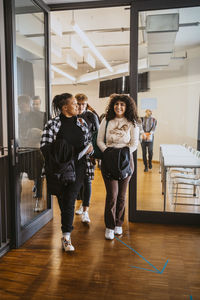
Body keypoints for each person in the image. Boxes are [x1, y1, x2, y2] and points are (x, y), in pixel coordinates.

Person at [40, 93, 93, 251]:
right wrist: (63, 152)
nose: (78, 106)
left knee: (70, 198)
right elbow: (44, 147)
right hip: (59, 169)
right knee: (64, 201)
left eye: (78, 104)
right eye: (74, 103)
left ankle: (66, 236)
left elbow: (88, 140)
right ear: (65, 107)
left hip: (79, 167)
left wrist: (88, 150)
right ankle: (66, 227)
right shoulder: (53, 124)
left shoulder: (82, 122)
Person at [97, 94, 139, 240]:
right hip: (108, 160)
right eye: (116, 104)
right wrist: (108, 153)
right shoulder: (106, 121)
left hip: (126, 161)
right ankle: (109, 226)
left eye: (122, 104)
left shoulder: (132, 122)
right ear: (112, 106)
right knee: (112, 195)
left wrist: (123, 155)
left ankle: (118, 223)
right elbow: (99, 141)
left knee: (122, 195)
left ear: (127, 106)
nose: (118, 107)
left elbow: (134, 143)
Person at [74, 93, 99, 223]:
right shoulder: (71, 116)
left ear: (86, 104)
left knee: (87, 181)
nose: (80, 106)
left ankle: (85, 211)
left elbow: (97, 134)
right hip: (74, 154)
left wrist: (94, 152)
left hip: (88, 153)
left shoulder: (91, 116)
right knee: (76, 181)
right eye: (78, 104)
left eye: (83, 104)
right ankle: (80, 204)